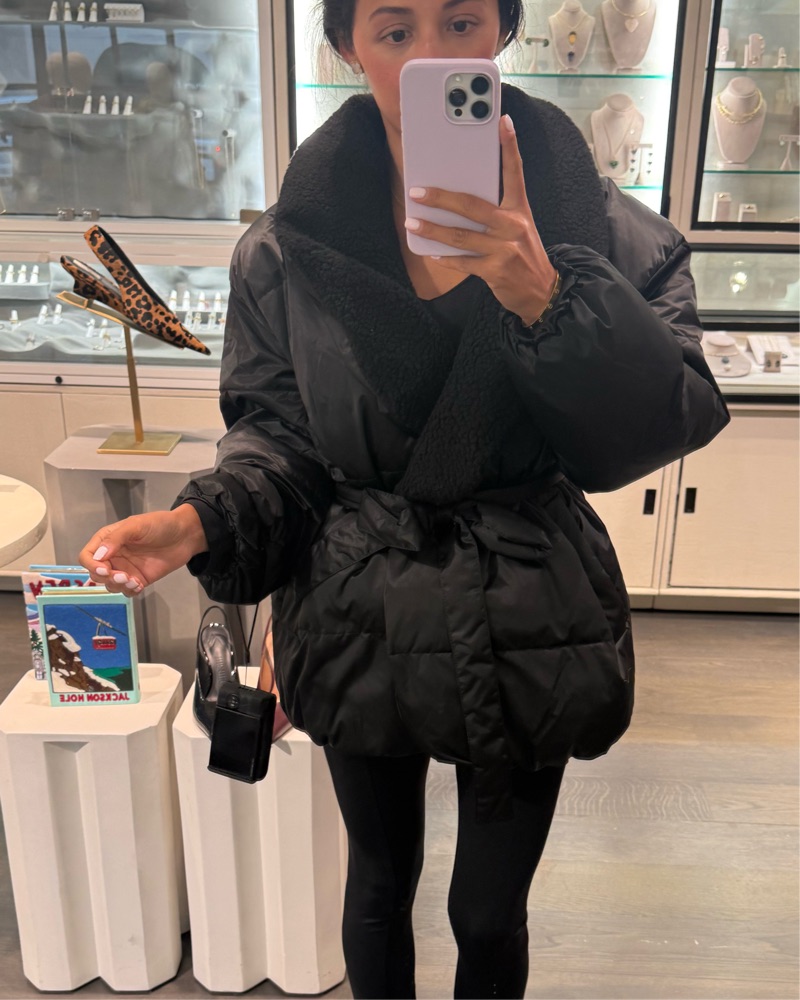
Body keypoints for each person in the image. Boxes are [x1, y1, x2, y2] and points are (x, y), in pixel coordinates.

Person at [79, 1, 730, 996]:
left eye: (461, 23)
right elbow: (279, 438)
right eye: (394, 31)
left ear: (502, 30)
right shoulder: (286, 249)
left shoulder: (601, 227)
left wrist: (546, 294)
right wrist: (199, 519)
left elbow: (664, 418)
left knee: (489, 911)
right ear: (345, 47)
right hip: (361, 604)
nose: (431, 56)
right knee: (378, 884)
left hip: (526, 607)